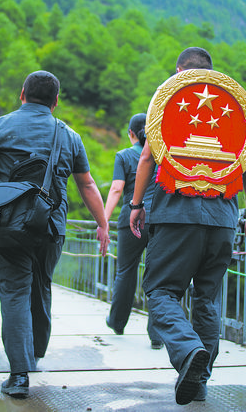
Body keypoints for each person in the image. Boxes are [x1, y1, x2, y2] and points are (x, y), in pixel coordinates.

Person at [0, 70, 110, 399]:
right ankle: (36, 353)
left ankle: (19, 375)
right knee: (41, 286)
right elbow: (87, 184)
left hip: (8, 225)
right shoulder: (69, 136)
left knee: (14, 291)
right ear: (56, 101)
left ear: (22, 94)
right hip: (51, 226)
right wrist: (102, 224)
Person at [129, 47, 246, 405]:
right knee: (207, 299)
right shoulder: (231, 105)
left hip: (175, 215)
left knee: (161, 291)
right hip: (222, 220)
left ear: (179, 71)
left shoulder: (169, 100)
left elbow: (147, 156)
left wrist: (137, 205)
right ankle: (199, 380)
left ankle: (188, 352)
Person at [101, 112, 161, 349]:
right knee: (159, 274)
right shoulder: (161, 155)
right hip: (160, 219)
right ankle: (157, 335)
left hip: (131, 218)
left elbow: (117, 189)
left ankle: (117, 322)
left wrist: (103, 221)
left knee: (126, 270)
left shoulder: (124, 156)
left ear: (131, 134)